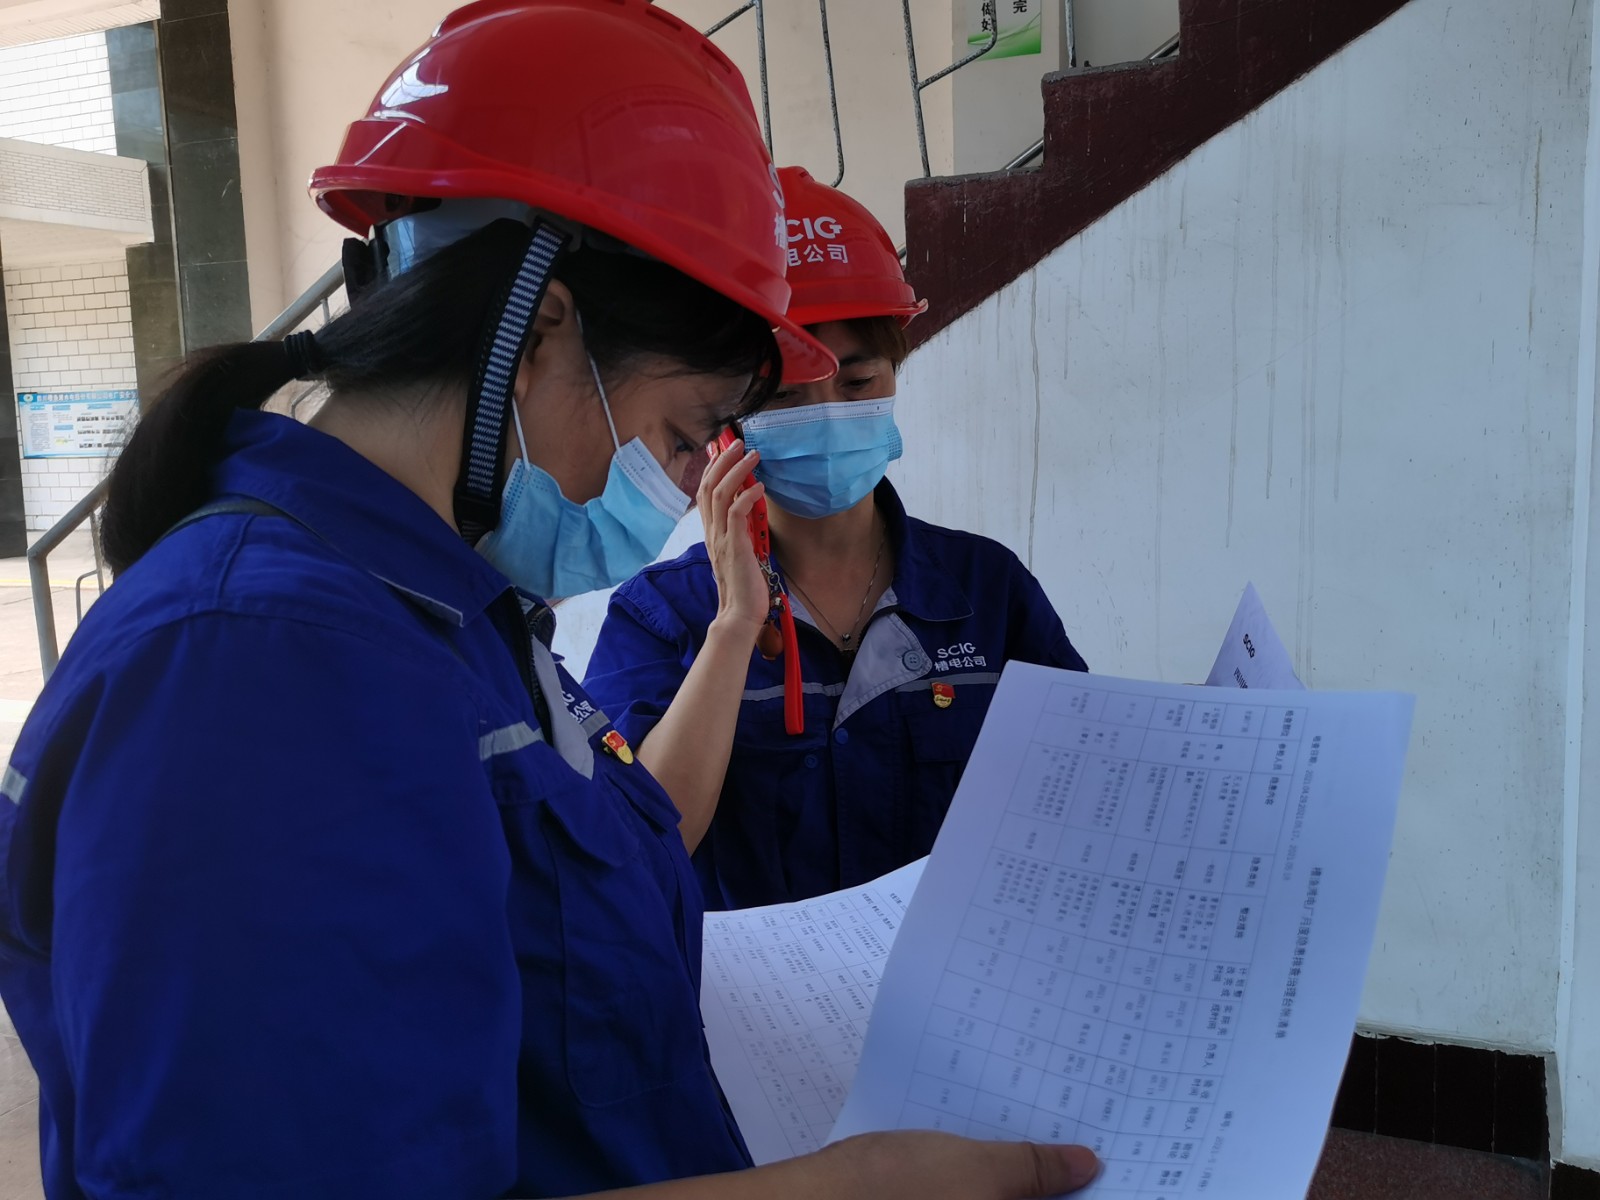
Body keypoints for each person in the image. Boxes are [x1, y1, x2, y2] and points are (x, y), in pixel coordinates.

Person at [0, 4, 1099, 1198]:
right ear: (541, 332)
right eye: (683, 435)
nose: (682, 489)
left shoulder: (446, 619)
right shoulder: (258, 663)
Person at [583, 167, 1088, 911]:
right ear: (727, 417)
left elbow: (1083, 784)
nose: (826, 413)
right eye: (785, 394)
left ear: (895, 377)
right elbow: (634, 846)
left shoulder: (986, 589)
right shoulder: (662, 615)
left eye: (857, 384)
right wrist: (735, 626)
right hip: (748, 989)